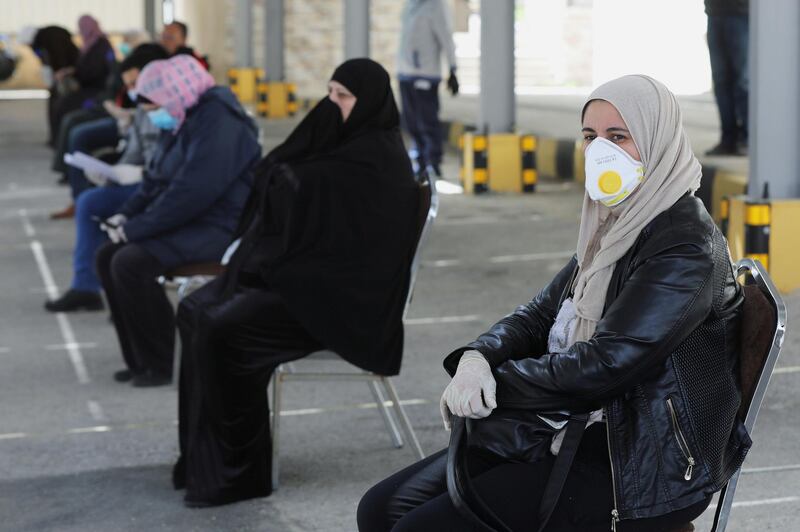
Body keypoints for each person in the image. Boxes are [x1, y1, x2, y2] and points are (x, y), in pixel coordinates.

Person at [358, 75, 750, 531]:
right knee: (381, 508)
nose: (600, 150)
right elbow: (541, 313)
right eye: (590, 137)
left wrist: (497, 384)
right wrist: (476, 358)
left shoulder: (684, 245)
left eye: (619, 136)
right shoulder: (613, 224)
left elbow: (606, 365)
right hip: (579, 426)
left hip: (642, 464)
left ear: (657, 140)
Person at [172, 58, 420, 508]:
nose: (332, 104)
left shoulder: (379, 159)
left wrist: (293, 182)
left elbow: (356, 248)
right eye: (330, 93)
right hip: (311, 286)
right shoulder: (349, 145)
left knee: (222, 329)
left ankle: (239, 474)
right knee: (193, 310)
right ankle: (200, 459)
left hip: (344, 307)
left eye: (343, 97)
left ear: (369, 102)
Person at [94, 54, 261, 387]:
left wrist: (136, 229)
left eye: (154, 106)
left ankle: (158, 364)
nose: (152, 114)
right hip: (195, 220)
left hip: (224, 227)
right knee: (107, 256)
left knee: (130, 262)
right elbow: (157, 178)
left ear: (174, 93)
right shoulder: (182, 113)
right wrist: (126, 214)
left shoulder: (220, 121)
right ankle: (139, 361)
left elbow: (193, 191)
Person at [44, 44, 168, 313]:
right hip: (144, 183)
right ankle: (90, 287)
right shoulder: (144, 110)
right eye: (131, 86)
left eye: (137, 83)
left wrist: (143, 174)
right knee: (94, 198)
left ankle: (104, 289)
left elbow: (180, 169)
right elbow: (133, 154)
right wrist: (110, 175)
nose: (136, 92)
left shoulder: (175, 110)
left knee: (94, 204)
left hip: (161, 188)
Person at [397, 0, 459, 178]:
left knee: (427, 121)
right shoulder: (409, 5)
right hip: (405, 73)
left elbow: (446, 37)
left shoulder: (436, 6)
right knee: (410, 122)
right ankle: (420, 161)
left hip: (426, 73)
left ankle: (433, 163)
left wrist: (453, 69)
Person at [49, 15, 115, 143]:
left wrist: (75, 75)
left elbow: (93, 72)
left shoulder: (100, 45)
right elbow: (84, 67)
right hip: (89, 86)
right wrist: (71, 71)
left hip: (96, 89)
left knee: (65, 106)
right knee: (60, 102)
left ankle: (62, 143)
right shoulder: (91, 44)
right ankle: (59, 142)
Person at [704, 0, 749, 156]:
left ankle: (746, 139)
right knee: (721, 80)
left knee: (742, 80)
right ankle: (728, 139)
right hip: (714, 12)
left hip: (740, 13)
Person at [29, 25, 80, 145]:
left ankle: (58, 139)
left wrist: (62, 72)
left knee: (60, 109)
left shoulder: (48, 40)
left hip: (65, 81)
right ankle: (58, 139)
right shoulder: (49, 39)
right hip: (62, 80)